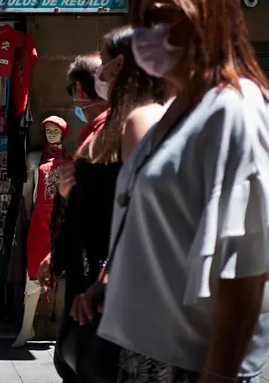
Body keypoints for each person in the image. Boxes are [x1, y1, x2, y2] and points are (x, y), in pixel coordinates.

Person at [80, 0, 269, 383]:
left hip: (190, 363)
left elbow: (248, 265)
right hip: (146, 353)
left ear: (203, 22)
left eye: (159, 18)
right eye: (141, 20)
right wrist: (112, 283)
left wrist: (218, 373)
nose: (144, 34)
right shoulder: (179, 110)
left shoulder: (237, 111)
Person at [40, 27, 165, 382]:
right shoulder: (112, 126)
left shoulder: (138, 121)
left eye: (108, 65)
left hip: (121, 297)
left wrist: (107, 279)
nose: (103, 77)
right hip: (97, 285)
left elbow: (144, 212)